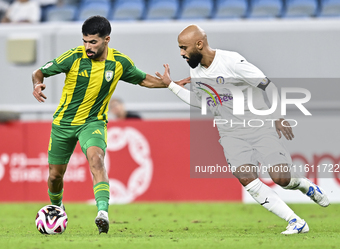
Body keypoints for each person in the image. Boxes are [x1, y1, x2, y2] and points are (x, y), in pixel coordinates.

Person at [163, 24, 329, 235]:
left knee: (281, 178)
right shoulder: (195, 68)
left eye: (184, 48)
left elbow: (268, 86)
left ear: (199, 44)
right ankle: (295, 221)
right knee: (246, 177)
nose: (181, 53)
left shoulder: (232, 62)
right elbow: (202, 101)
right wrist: (171, 86)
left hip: (258, 126)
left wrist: (278, 116)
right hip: (230, 132)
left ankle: (306, 187)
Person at [31, 16, 180, 234]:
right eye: (85, 41)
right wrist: (37, 85)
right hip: (63, 124)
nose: (87, 46)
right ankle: (57, 206)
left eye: (93, 42)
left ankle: (102, 213)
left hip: (93, 122)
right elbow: (39, 72)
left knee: (97, 160)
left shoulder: (119, 62)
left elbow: (143, 79)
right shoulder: (73, 57)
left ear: (106, 39)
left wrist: (169, 84)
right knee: (55, 176)